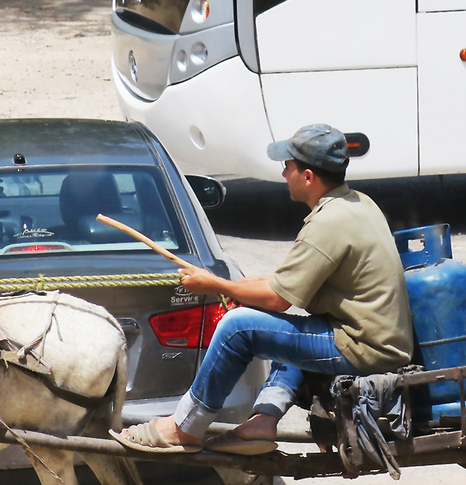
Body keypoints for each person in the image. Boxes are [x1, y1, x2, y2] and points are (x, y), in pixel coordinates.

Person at [113, 124, 414, 455]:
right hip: (374, 339)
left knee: (236, 326)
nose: (284, 172)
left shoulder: (328, 223)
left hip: (364, 348)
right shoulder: (357, 204)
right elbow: (281, 284)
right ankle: (263, 421)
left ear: (309, 176)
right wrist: (232, 287)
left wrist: (214, 284)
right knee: (285, 328)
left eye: (289, 165)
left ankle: (185, 427)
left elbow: (277, 299)